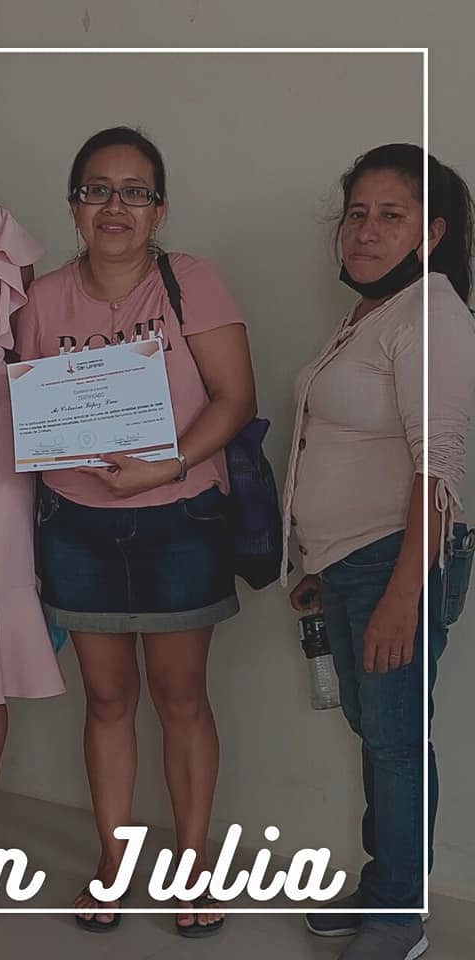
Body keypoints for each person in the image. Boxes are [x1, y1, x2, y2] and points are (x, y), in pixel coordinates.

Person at [14, 127, 257, 935]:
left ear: (159, 209)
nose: (114, 206)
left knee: (181, 699)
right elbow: (23, 408)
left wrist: (164, 468)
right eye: (97, 189)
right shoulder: (41, 300)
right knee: (107, 700)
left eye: (134, 191)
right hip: (76, 523)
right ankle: (113, 865)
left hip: (180, 517)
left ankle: (192, 866)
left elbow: (236, 399)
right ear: (73, 205)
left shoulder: (190, 281)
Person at [284, 143, 475, 960]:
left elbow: (441, 465)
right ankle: (384, 884)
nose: (365, 229)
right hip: (352, 562)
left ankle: (400, 917)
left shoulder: (431, 316)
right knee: (378, 732)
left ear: (432, 233)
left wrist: (404, 594)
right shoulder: (377, 312)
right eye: (356, 213)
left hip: (399, 560)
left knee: (396, 740)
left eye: (391, 215)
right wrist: (315, 563)